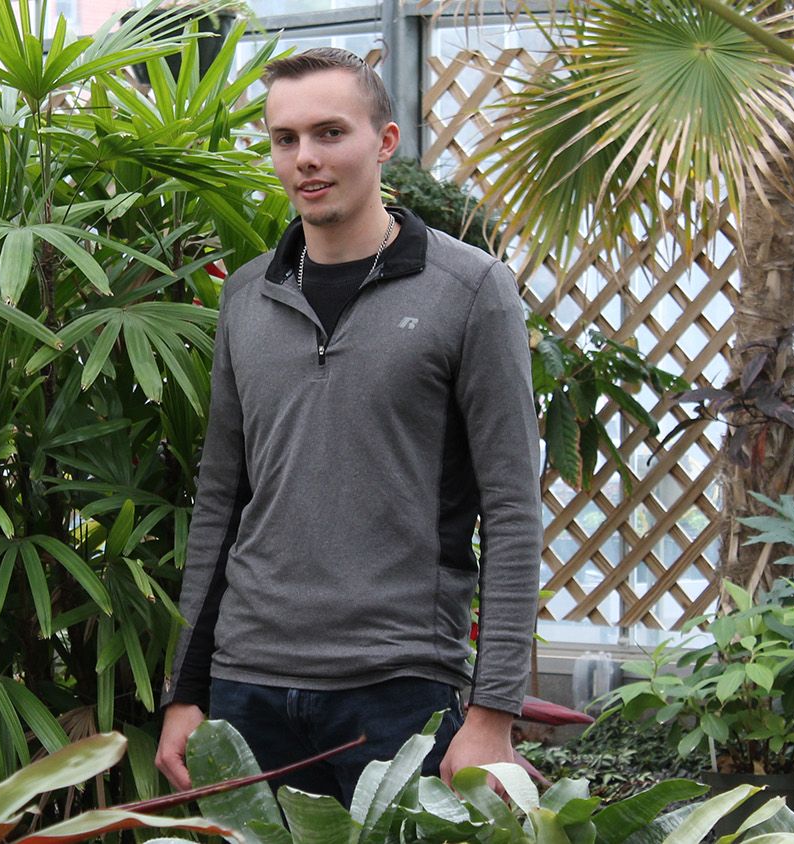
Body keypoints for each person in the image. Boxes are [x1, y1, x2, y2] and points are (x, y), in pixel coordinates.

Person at [153, 47, 541, 803]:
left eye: (331, 133)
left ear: (384, 141)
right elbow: (220, 503)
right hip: (245, 686)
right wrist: (184, 690)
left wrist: (493, 712)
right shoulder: (245, 299)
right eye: (285, 138)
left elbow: (514, 510)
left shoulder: (471, 292)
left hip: (396, 690)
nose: (306, 158)